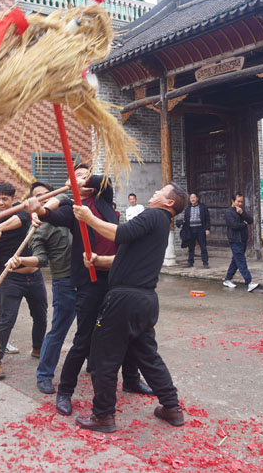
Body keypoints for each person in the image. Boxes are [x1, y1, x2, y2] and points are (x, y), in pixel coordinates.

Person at [24, 166, 154, 417]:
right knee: (83, 339)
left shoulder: (103, 198)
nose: (81, 180)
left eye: (84, 176)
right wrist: (37, 209)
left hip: (118, 276)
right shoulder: (71, 209)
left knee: (126, 333)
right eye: (76, 177)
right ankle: (65, 392)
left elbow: (104, 179)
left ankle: (131, 379)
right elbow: (50, 216)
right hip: (89, 279)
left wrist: (82, 180)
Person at [71, 183, 188, 433]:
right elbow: (126, 256)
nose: (154, 192)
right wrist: (99, 260)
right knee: (148, 355)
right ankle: (172, 407)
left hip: (124, 299)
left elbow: (119, 235)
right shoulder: (159, 222)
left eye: (161, 191)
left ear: (169, 203)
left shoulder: (153, 214)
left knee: (104, 356)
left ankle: (103, 415)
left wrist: (88, 217)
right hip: (144, 300)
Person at [8, 181, 73, 394]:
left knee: (93, 326)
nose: (44, 198)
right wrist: (22, 261)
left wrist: (44, 208)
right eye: (38, 196)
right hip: (64, 280)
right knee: (58, 330)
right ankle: (44, 375)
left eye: (47, 194)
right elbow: (41, 260)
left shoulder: (66, 207)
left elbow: (63, 198)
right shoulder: (36, 228)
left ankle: (93, 362)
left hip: (89, 277)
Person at [0, 181, 48, 379]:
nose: (1, 202)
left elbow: (22, 217)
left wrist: (1, 227)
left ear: (12, 199)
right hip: (11, 278)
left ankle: (37, 348)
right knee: (6, 319)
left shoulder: (22, 211)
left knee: (40, 315)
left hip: (34, 275)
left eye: (5, 199)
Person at [222, 193, 258, 292]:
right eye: (238, 201)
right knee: (241, 261)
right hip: (234, 239)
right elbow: (234, 225)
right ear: (232, 201)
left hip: (243, 239)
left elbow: (250, 220)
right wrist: (243, 223)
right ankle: (249, 282)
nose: (240, 203)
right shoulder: (228, 212)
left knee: (236, 260)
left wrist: (242, 213)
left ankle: (228, 279)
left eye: (242, 201)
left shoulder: (241, 210)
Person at [176, 192, 210, 269]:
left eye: (194, 197)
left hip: (200, 229)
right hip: (190, 230)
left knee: (203, 246)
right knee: (191, 247)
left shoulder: (202, 207)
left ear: (197, 198)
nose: (193, 199)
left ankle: (205, 263)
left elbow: (207, 219)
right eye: (191, 198)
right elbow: (185, 218)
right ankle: (190, 262)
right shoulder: (188, 208)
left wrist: (207, 229)